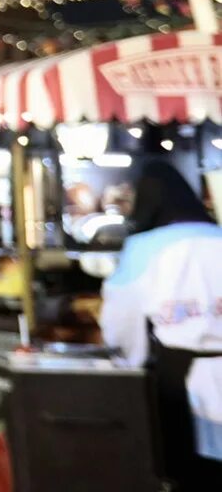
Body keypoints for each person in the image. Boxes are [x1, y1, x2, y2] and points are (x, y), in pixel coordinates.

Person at [100, 160, 222, 490]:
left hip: (179, 381)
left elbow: (121, 319)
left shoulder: (144, 247)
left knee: (190, 474)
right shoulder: (219, 236)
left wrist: (129, 358)